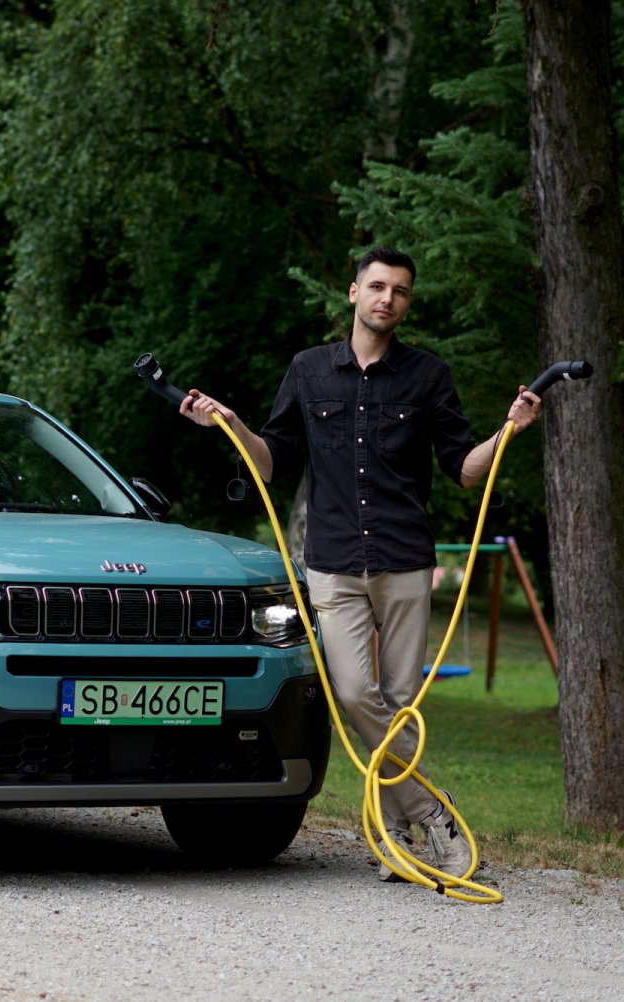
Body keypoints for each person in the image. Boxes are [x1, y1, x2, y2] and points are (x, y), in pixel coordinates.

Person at [180, 247, 541, 881]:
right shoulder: (308, 370)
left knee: (400, 703)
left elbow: (464, 470)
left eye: (400, 291)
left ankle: (394, 838)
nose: (388, 299)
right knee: (353, 693)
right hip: (334, 562)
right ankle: (435, 812)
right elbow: (272, 461)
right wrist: (232, 424)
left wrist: (508, 431)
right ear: (353, 292)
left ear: (406, 302)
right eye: (377, 286)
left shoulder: (428, 376)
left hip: (404, 559)